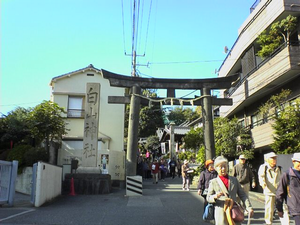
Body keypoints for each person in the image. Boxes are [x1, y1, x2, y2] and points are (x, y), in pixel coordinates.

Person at [206, 156, 254, 225]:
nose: (223, 169)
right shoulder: (213, 182)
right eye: (221, 167)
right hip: (221, 212)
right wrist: (215, 196)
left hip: (234, 211)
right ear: (216, 168)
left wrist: (249, 207)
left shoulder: (234, 180)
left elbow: (242, 194)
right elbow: (208, 198)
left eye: (225, 166)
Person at [258, 152, 282, 225]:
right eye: (272, 158)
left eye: (275, 158)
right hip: (269, 191)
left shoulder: (278, 168)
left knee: (283, 208)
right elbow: (261, 177)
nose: (274, 159)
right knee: (269, 208)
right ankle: (268, 222)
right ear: (268, 159)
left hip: (278, 191)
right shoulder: (264, 167)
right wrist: (263, 185)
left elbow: (281, 179)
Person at [276, 152, 300, 225]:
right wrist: (279, 209)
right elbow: (280, 192)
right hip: (295, 206)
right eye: (299, 162)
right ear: (293, 162)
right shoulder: (287, 174)